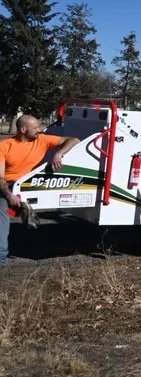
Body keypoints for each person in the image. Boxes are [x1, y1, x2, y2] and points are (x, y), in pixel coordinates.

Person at [0, 114, 80, 266]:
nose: (39, 130)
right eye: (36, 128)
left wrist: (58, 153)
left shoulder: (42, 140)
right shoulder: (5, 146)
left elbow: (74, 140)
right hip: (7, 185)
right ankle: (1, 258)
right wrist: (9, 195)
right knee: (1, 214)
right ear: (23, 129)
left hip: (28, 184)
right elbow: (0, 178)